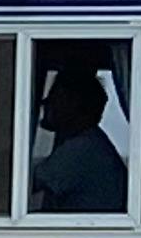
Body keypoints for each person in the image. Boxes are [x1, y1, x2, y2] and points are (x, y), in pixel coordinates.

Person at [28, 59, 130, 214]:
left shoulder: (82, 149)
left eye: (55, 97)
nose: (46, 102)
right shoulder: (93, 144)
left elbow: (20, 187)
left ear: (74, 106)